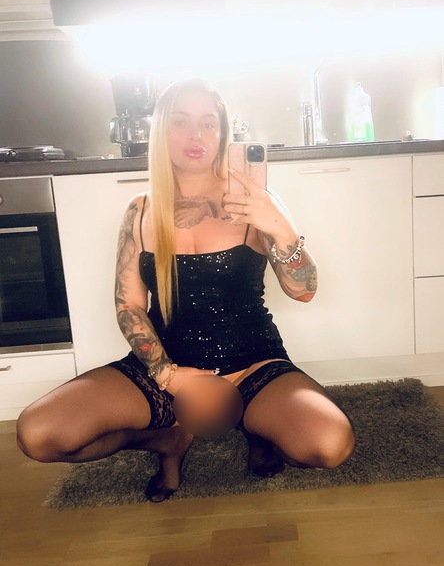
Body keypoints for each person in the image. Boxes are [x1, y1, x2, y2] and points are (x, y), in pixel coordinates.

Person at [16, 78, 355, 503]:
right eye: (181, 122)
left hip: (252, 363)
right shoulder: (140, 210)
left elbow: (303, 290)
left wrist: (281, 228)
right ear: (161, 131)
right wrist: (169, 376)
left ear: (223, 133)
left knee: (328, 444)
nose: (196, 135)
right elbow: (129, 305)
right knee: (39, 434)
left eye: (208, 123)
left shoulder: (257, 201)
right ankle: (168, 441)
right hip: (165, 364)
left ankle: (258, 429)